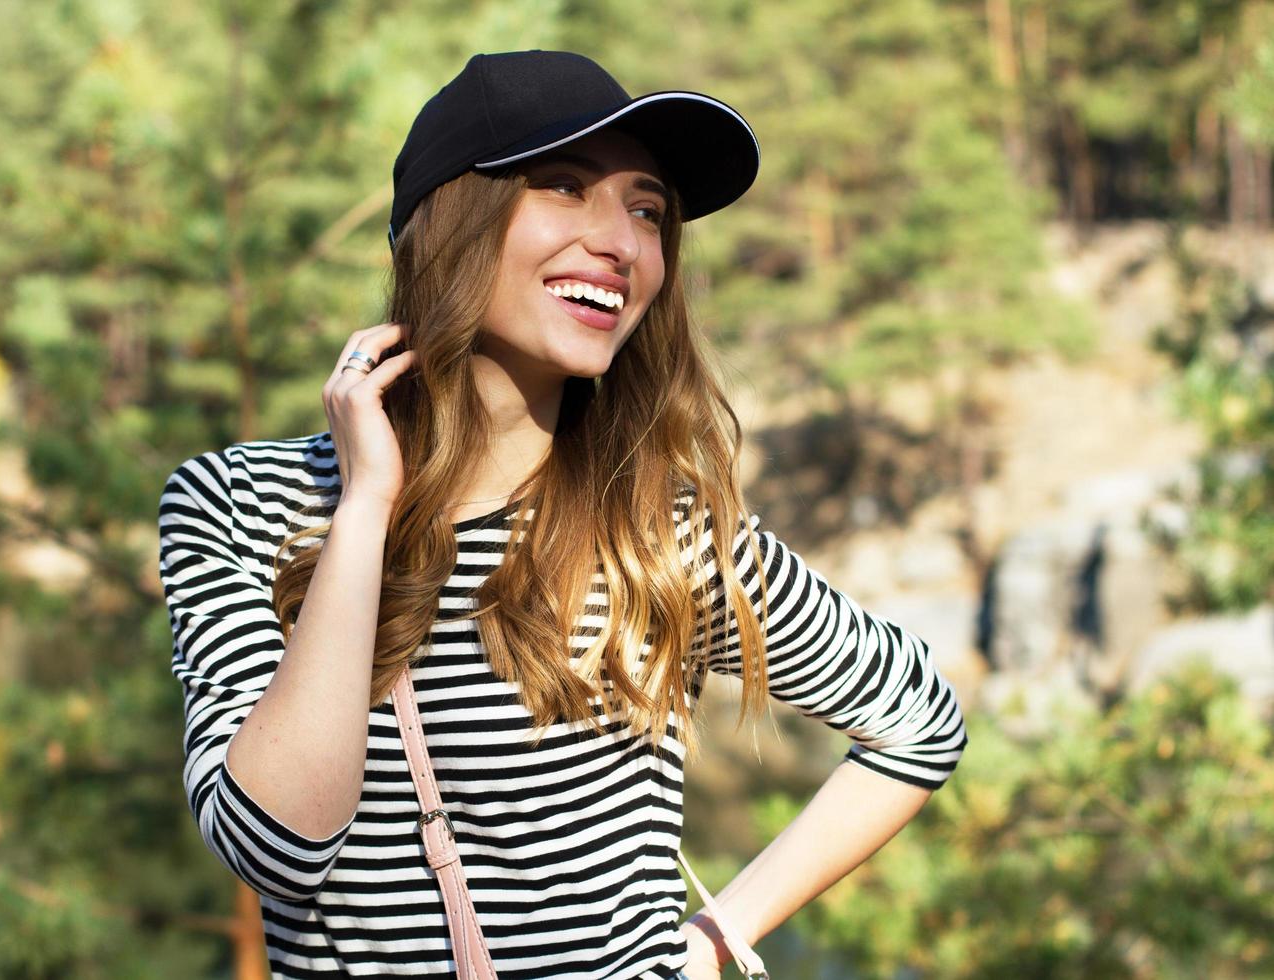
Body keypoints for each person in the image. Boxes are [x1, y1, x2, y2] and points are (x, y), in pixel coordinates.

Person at [158, 49, 968, 980]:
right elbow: (274, 852)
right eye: (565, 186)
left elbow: (918, 717)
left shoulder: (658, 529)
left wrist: (710, 948)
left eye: (646, 209)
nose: (622, 243)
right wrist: (366, 510)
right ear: (450, 223)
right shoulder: (242, 505)